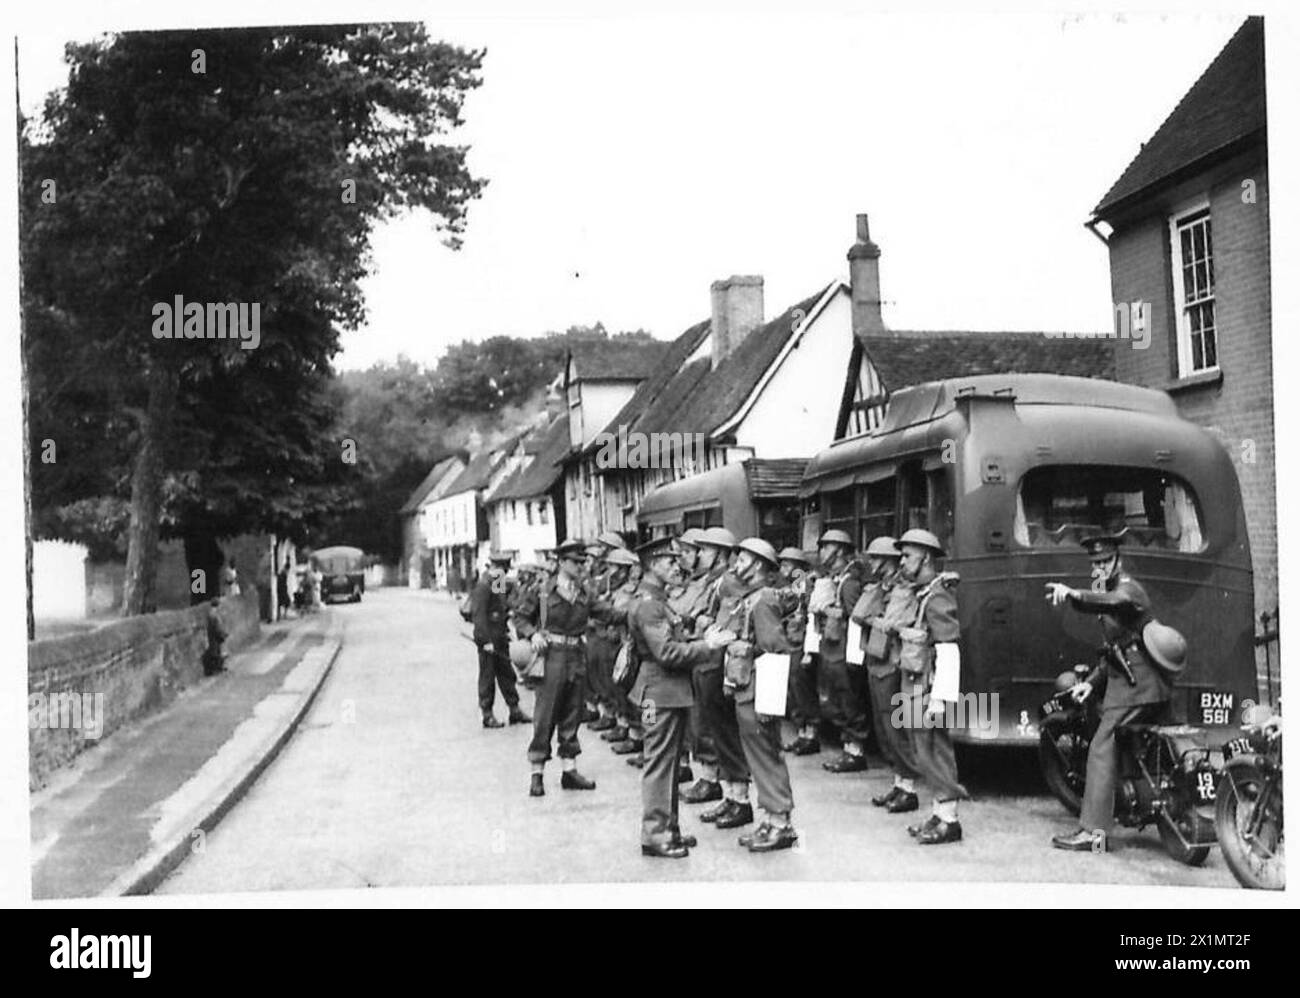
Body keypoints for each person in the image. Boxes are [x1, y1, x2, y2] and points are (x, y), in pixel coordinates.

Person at [1045, 531, 1178, 852]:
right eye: (1095, 563)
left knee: (1101, 748)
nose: (1100, 567)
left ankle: (1093, 833)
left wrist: (1073, 596)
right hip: (1136, 684)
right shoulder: (1108, 589)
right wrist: (1090, 684)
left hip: (1137, 687)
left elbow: (1115, 602)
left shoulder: (1128, 589)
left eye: (1105, 561)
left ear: (1117, 559)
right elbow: (1115, 651)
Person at [629, 536, 736, 858]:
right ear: (653, 565)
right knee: (660, 764)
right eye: (670, 562)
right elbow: (667, 653)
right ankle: (656, 834)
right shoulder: (650, 603)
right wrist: (708, 647)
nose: (679, 566)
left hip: (660, 693)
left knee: (668, 763)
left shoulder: (656, 599)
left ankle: (668, 828)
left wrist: (699, 637)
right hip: (658, 694)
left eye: (679, 560)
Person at [722, 538, 802, 852]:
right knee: (759, 757)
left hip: (757, 691)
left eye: (741, 560)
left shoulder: (763, 599)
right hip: (747, 688)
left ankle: (781, 823)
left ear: (757, 565)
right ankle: (770, 819)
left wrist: (769, 701)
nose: (736, 565)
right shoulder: (752, 598)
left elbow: (775, 650)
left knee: (766, 756)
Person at [889, 528, 965, 845]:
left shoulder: (937, 598)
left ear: (926, 558)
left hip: (929, 691)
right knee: (924, 752)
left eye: (907, 556)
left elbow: (948, 649)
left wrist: (939, 701)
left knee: (935, 752)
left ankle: (949, 820)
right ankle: (938, 812)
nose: (902, 562)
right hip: (916, 687)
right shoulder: (924, 594)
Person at [680, 527, 752, 827]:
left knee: (724, 730)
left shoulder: (729, 581)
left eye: (706, 550)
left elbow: (731, 622)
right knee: (710, 726)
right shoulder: (713, 581)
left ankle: (741, 799)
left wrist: (704, 621)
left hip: (717, 662)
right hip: (705, 659)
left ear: (720, 554)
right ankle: (730, 795)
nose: (700, 555)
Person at [523, 538, 598, 797]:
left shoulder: (584, 591)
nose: (580, 566)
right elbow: (520, 616)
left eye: (583, 562)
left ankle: (570, 770)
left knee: (572, 713)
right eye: (575, 562)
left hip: (576, 656)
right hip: (551, 656)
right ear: (562, 562)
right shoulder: (543, 590)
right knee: (545, 716)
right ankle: (537, 773)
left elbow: (604, 612)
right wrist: (533, 634)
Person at [854, 537, 924, 812]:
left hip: (892, 663)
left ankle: (908, 787)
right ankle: (899, 782)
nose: (871, 564)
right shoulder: (880, 588)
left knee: (895, 727)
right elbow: (859, 614)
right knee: (885, 729)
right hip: (876, 659)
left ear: (888, 560)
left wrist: (879, 620)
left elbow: (895, 623)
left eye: (876, 558)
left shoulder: (904, 590)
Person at [813, 529, 869, 773]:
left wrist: (854, 659)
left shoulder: (848, 583)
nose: (822, 552)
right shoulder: (834, 578)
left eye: (826, 547)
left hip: (844, 652)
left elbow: (856, 621)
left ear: (838, 550)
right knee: (837, 701)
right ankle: (849, 748)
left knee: (849, 701)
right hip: (833, 650)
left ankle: (855, 752)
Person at [470, 551, 531, 729]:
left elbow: (500, 608)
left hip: (500, 638)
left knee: (506, 674)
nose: (503, 573)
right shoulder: (483, 586)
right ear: (494, 568)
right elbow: (479, 616)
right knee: (487, 676)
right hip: (488, 640)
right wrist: (484, 640)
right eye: (502, 569)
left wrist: (506, 621)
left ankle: (515, 710)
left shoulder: (496, 583)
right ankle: (487, 714)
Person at [776, 547, 822, 755]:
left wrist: (808, 651)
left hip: (799, 643)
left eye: (787, 564)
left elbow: (803, 613)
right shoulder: (793, 584)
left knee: (801, 689)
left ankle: (810, 734)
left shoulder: (801, 582)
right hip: (791, 641)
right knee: (795, 690)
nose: (783, 568)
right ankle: (803, 733)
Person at [202, 597, 229, 676]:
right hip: (215, 637)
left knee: (215, 652)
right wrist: (223, 634)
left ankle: (216, 668)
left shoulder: (210, 614)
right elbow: (217, 627)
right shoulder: (214, 615)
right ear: (218, 605)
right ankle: (216, 669)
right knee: (216, 653)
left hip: (211, 636)